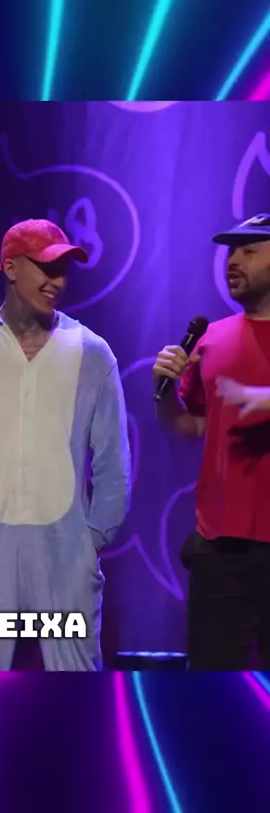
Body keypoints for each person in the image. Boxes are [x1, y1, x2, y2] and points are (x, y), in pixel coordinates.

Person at [0, 218, 131, 671]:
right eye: (46, 268)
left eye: (63, 271)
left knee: (73, 684)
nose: (57, 282)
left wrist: (92, 539)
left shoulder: (92, 353)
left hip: (65, 559)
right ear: (10, 268)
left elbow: (113, 461)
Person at [153, 213, 270, 670]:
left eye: (249, 250)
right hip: (219, 545)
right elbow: (190, 428)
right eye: (230, 251)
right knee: (212, 685)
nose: (233, 260)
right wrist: (164, 396)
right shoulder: (212, 339)